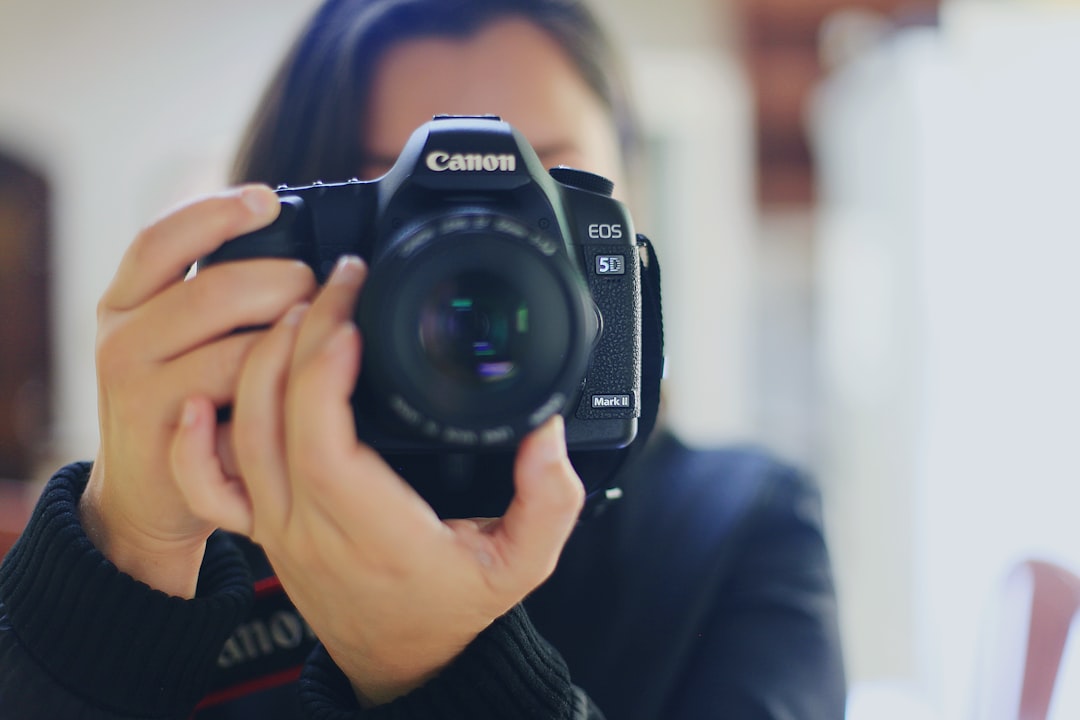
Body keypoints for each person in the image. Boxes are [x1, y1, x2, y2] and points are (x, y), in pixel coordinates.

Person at [0, 0, 847, 718]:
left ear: (625, 230)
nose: (483, 250)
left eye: (551, 179)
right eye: (399, 196)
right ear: (296, 242)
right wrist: (122, 557)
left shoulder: (739, 529)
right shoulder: (211, 518)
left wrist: (434, 665)